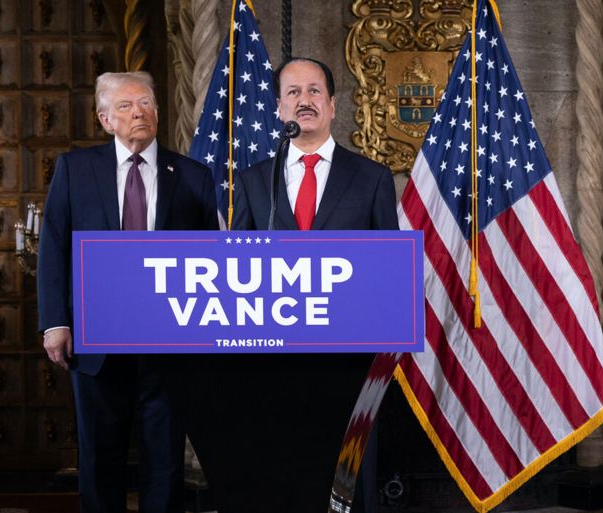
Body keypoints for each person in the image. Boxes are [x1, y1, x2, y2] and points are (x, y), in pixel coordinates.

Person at [188, 58, 398, 513]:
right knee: (280, 473)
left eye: (314, 91)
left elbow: (389, 269)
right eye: (293, 93)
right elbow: (235, 267)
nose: (304, 101)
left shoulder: (372, 179)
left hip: (349, 357)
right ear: (279, 107)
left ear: (333, 105)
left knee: (347, 475)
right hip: (273, 356)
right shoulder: (252, 180)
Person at [37, 71, 218, 513]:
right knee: (99, 457)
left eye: (146, 104)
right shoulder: (75, 169)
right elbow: (54, 245)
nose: (139, 112)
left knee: (165, 463)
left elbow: (211, 259)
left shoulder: (193, 175)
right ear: (105, 119)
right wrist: (56, 323)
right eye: (125, 106)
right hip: (96, 337)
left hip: (170, 343)